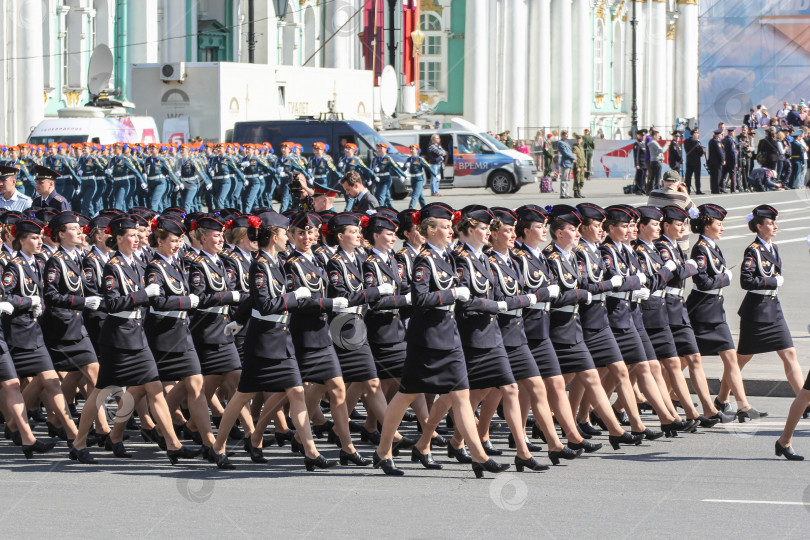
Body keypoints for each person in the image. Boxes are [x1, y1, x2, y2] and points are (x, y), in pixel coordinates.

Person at [372, 203, 509, 478]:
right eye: (445, 227)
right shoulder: (425, 260)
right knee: (406, 395)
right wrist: (451, 295)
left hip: (450, 336)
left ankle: (478, 456)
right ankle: (384, 450)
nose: (450, 231)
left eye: (450, 226)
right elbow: (420, 298)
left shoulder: (449, 257)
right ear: (430, 230)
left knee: (460, 396)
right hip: (427, 339)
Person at [68, 215, 201, 464]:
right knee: (100, 392)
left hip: (138, 335)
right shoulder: (113, 266)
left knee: (155, 389)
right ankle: (78, 443)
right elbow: (111, 303)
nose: (137, 239)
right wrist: (143, 295)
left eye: (138, 235)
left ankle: (173, 444)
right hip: (118, 338)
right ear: (118, 239)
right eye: (131, 235)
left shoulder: (139, 264)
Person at [716, 205, 803, 420]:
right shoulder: (753, 250)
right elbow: (746, 280)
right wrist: (773, 281)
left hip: (773, 308)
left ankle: (805, 401)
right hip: (756, 311)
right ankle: (722, 398)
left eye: (774, 222)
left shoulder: (774, 248)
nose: (774, 226)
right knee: (742, 359)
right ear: (759, 226)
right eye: (770, 223)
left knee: (789, 353)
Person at [686, 204, 763, 420]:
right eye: (719, 224)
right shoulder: (701, 248)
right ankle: (648, 397)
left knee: (730, 356)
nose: (722, 228)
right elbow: (701, 280)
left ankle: (743, 405)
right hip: (700, 310)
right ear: (707, 225)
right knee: (681, 361)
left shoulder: (712, 247)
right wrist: (724, 279)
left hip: (714, 310)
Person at [646, 170, 696, 250]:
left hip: (657, 241)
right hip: (679, 243)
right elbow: (695, 214)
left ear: (662, 182)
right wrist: (686, 194)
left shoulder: (653, 194)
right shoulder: (683, 197)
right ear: (679, 183)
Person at [370, 143, 406, 209]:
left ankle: (379, 210)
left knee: (381, 195)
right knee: (382, 196)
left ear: (385, 149)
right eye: (378, 148)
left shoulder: (388, 158)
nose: (379, 150)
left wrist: (402, 175)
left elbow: (395, 167)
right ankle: (392, 210)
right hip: (378, 180)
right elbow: (371, 169)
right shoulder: (375, 159)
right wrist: (371, 177)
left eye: (381, 148)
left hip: (386, 179)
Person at [645, 130, 667, 194]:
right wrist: (666, 145)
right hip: (656, 161)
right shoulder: (653, 143)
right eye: (657, 136)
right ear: (654, 136)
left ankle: (651, 190)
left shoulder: (652, 143)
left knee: (653, 176)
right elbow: (661, 150)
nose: (659, 137)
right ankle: (656, 190)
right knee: (657, 177)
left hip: (654, 161)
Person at [683, 129, 704, 194]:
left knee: (688, 176)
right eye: (697, 133)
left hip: (689, 160)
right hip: (696, 161)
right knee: (697, 176)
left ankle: (687, 189)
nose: (698, 135)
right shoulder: (696, 141)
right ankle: (698, 190)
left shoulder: (686, 141)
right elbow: (700, 151)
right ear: (694, 133)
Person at [556, 131, 575, 199]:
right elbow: (565, 152)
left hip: (569, 163)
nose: (567, 136)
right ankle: (563, 194)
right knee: (564, 179)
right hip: (565, 163)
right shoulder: (560, 143)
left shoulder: (566, 142)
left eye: (567, 135)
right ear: (562, 135)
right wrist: (573, 157)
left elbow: (570, 152)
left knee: (568, 179)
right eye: (565, 135)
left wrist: (573, 158)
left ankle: (567, 193)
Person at [706, 128, 726, 194]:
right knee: (717, 176)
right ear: (718, 135)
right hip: (717, 162)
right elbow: (720, 152)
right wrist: (723, 160)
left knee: (713, 176)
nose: (721, 136)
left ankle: (713, 189)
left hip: (712, 162)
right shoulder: (716, 142)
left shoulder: (711, 141)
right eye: (721, 134)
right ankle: (716, 190)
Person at [721, 128, 738, 193]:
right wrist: (735, 162)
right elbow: (733, 152)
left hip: (725, 160)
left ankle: (722, 188)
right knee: (733, 175)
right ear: (731, 133)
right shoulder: (730, 140)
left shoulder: (724, 140)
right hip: (731, 160)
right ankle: (733, 189)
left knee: (724, 175)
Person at [632, 130, 648, 195]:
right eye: (642, 136)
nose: (643, 137)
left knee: (644, 177)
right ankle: (638, 189)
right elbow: (636, 155)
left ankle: (643, 188)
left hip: (644, 163)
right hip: (640, 163)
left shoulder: (643, 143)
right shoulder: (637, 144)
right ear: (639, 136)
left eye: (644, 136)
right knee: (639, 177)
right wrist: (637, 164)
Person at [572, 134, 586, 198]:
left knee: (581, 180)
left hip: (582, 166)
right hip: (578, 166)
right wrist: (577, 167)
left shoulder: (581, 147)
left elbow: (583, 157)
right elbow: (574, 157)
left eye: (579, 139)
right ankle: (576, 192)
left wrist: (585, 165)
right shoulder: (574, 147)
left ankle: (579, 191)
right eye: (577, 139)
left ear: (582, 140)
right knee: (577, 179)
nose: (578, 140)